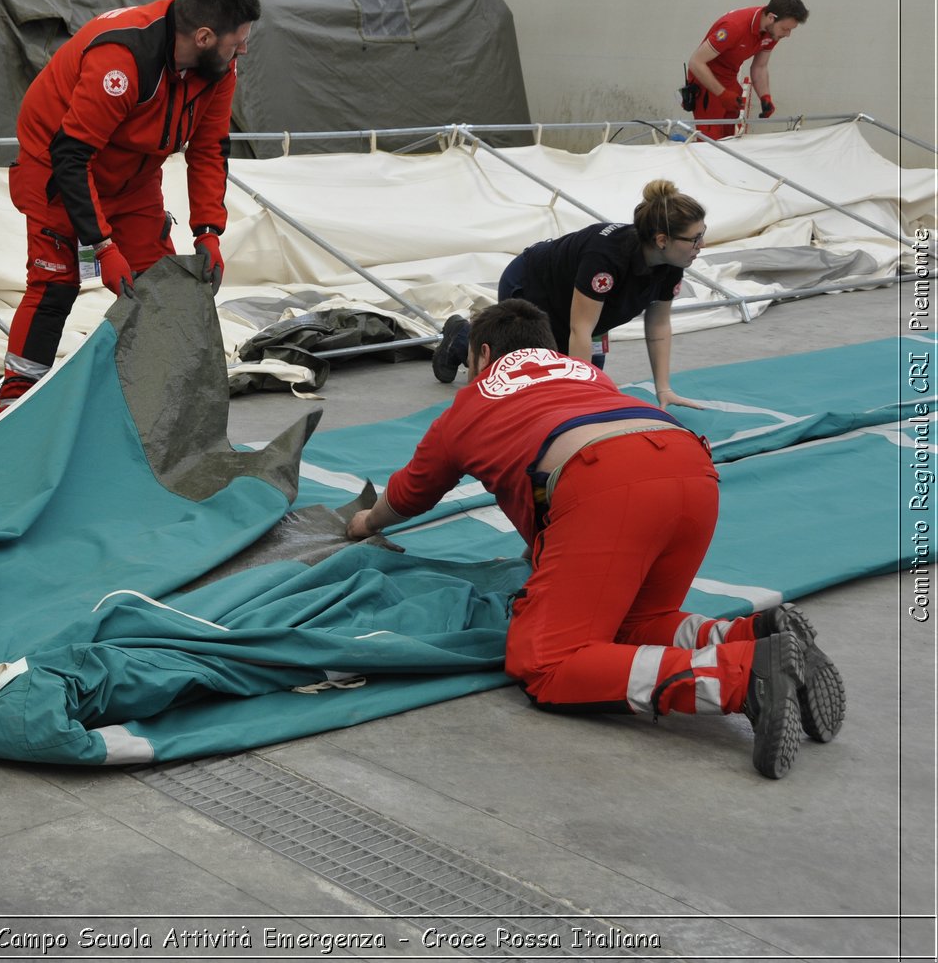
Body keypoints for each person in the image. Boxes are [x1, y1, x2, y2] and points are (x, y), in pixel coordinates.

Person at [353, 299, 845, 778]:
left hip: (604, 482)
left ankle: (741, 676)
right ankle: (757, 633)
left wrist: (365, 525)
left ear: (482, 356)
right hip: (692, 468)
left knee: (547, 661)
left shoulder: (472, 401)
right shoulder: (588, 375)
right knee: (633, 621)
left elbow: (411, 492)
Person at [0, 0, 261, 410]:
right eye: (237, 41)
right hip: (59, 174)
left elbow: (210, 149)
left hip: (134, 179)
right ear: (202, 37)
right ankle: (14, 406)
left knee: (159, 286)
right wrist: (101, 247)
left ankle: (152, 406)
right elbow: (71, 157)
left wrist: (209, 232)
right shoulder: (121, 60)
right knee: (54, 288)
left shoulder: (219, 68)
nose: (244, 49)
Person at [432, 179, 706, 411]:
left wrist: (664, 389)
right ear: (662, 240)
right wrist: (578, 402)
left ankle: (471, 339)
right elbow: (580, 329)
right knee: (522, 380)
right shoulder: (606, 257)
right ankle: (462, 339)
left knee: (585, 377)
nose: (701, 245)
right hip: (532, 286)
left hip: (578, 308)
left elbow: (658, 326)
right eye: (695, 238)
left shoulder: (672, 264)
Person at [683, 0, 808, 139]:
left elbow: (759, 66)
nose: (787, 35)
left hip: (729, 78)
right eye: (785, 29)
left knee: (729, 136)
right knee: (710, 139)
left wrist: (765, 97)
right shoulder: (734, 27)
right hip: (706, 79)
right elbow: (696, 62)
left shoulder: (772, 31)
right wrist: (722, 93)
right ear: (771, 17)